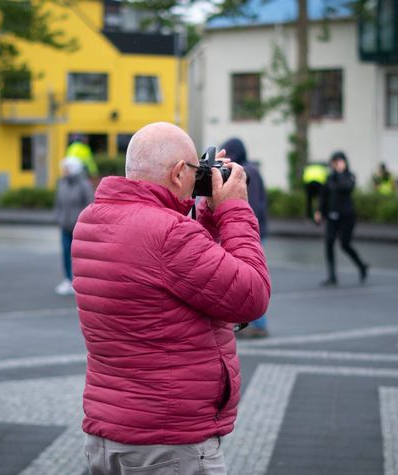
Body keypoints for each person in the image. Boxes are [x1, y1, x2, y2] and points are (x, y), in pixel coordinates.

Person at [71, 122, 271, 474]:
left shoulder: (92, 221)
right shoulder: (169, 235)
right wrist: (235, 209)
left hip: (111, 434)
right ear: (179, 172)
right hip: (167, 445)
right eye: (196, 171)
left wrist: (206, 217)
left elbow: (185, 279)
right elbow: (250, 296)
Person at [220, 137, 269, 338]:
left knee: (250, 278)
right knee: (251, 275)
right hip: (254, 228)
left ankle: (258, 325)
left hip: (249, 230)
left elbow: (251, 204)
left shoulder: (244, 173)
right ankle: (254, 323)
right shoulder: (250, 169)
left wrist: (244, 227)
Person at [314, 151, 368, 287]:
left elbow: (346, 187)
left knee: (345, 244)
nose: (337, 165)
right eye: (335, 162)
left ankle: (362, 266)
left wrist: (340, 173)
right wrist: (319, 211)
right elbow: (323, 195)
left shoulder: (349, 176)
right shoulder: (329, 178)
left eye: (339, 162)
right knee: (329, 243)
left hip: (347, 217)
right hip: (332, 217)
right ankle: (332, 276)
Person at [53, 157, 94, 296]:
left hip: (79, 228)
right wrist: (58, 218)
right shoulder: (62, 183)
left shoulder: (84, 184)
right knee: (65, 254)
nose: (64, 170)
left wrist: (83, 222)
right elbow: (58, 203)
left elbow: (90, 205)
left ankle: (78, 282)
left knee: (79, 256)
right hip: (65, 227)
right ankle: (67, 280)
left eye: (67, 168)